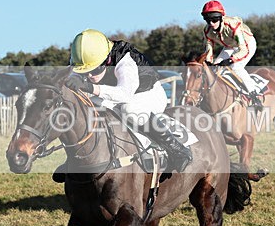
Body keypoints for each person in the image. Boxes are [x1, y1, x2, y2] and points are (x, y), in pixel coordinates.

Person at [63, 28, 192, 175]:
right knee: (86, 106)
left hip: (147, 94)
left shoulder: (125, 61)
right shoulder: (84, 58)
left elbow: (124, 94)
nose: (90, 75)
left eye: (95, 70)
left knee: (129, 110)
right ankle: (75, 159)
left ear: (108, 60)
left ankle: (178, 150)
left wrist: (89, 87)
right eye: (85, 72)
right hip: (118, 95)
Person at [200, 0, 263, 109]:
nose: (211, 23)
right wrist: (209, 63)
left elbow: (243, 49)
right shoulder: (207, 30)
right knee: (215, 68)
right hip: (230, 46)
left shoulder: (232, 25)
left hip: (246, 44)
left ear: (220, 18)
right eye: (207, 20)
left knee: (236, 67)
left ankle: (254, 96)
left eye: (214, 19)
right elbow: (209, 50)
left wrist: (230, 60)